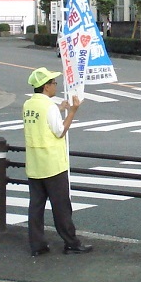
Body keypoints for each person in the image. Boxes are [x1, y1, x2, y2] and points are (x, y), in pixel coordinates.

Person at [21, 67, 92, 256]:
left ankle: (37, 245)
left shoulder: (29, 104)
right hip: (52, 164)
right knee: (61, 206)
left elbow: (42, 121)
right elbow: (60, 131)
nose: (55, 86)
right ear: (45, 87)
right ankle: (71, 243)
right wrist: (72, 112)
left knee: (36, 206)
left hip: (34, 163)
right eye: (53, 83)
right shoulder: (48, 107)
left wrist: (60, 108)